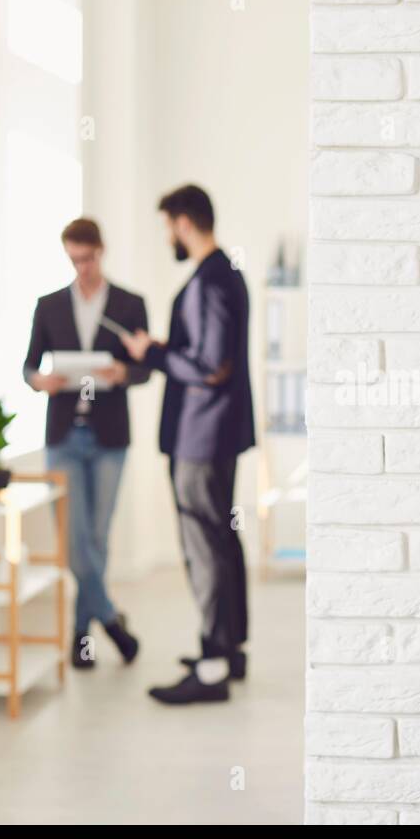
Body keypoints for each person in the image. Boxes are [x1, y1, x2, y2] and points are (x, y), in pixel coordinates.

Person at [122, 184, 255, 705]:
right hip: (213, 433)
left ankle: (213, 663)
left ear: (182, 222)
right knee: (221, 540)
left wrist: (152, 352)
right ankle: (228, 651)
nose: (167, 238)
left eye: (167, 227)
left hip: (200, 436)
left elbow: (209, 367)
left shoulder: (209, 280)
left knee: (205, 547)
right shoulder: (225, 274)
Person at [23, 217, 149, 670]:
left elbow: (146, 367)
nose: (83, 268)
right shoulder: (50, 305)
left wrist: (123, 373)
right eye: (74, 260)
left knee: (96, 537)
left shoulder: (130, 304)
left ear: (102, 251)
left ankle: (81, 637)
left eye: (89, 258)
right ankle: (112, 622)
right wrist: (41, 381)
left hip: (109, 435)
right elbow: (28, 367)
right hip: (64, 435)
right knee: (75, 543)